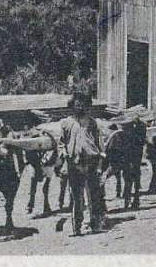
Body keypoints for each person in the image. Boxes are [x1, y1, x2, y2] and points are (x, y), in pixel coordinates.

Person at [60, 90, 106, 235]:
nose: (79, 107)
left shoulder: (92, 123)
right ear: (72, 106)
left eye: (82, 104)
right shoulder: (66, 123)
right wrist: (64, 152)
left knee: (94, 195)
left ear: (86, 106)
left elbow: (100, 144)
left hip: (91, 162)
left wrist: (100, 163)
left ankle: (95, 225)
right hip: (74, 164)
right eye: (76, 104)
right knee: (76, 197)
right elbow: (61, 143)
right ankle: (77, 227)